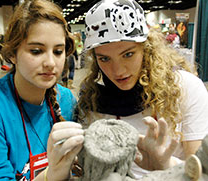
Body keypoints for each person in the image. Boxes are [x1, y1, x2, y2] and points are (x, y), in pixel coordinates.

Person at [77, 0, 208, 179]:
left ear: (146, 48)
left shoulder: (185, 88)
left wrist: (165, 165)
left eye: (128, 54)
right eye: (105, 59)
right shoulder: (92, 98)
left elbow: (202, 172)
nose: (118, 71)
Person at [0, 0, 84, 180]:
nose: (50, 62)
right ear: (11, 54)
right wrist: (51, 175)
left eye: (58, 51)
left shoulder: (66, 101)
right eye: (36, 51)